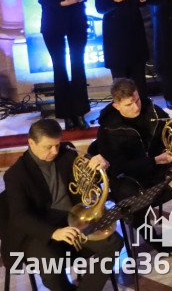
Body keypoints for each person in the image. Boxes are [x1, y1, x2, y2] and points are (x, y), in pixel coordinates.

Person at [4, 118, 122, 291]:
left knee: (114, 242)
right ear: (31, 143)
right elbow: (19, 217)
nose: (54, 151)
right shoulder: (16, 174)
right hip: (41, 230)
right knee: (51, 270)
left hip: (74, 220)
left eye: (57, 145)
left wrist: (101, 167)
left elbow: (90, 182)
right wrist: (54, 233)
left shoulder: (66, 152)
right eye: (48, 147)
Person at [95, 79, 172, 253]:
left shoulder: (152, 111)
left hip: (157, 173)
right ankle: (152, 238)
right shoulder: (108, 129)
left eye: (137, 100)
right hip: (129, 181)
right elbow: (120, 167)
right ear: (117, 106)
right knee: (130, 200)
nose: (136, 107)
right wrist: (155, 160)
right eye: (129, 104)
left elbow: (171, 136)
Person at [37, 0, 91, 131]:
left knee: (78, 65)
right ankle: (66, 115)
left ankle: (79, 113)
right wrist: (63, 2)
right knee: (60, 67)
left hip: (76, 19)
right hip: (54, 21)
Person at [94, 0, 150, 94]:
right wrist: (114, 0)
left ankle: (143, 107)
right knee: (120, 77)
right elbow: (100, 8)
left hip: (134, 28)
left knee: (138, 74)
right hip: (115, 32)